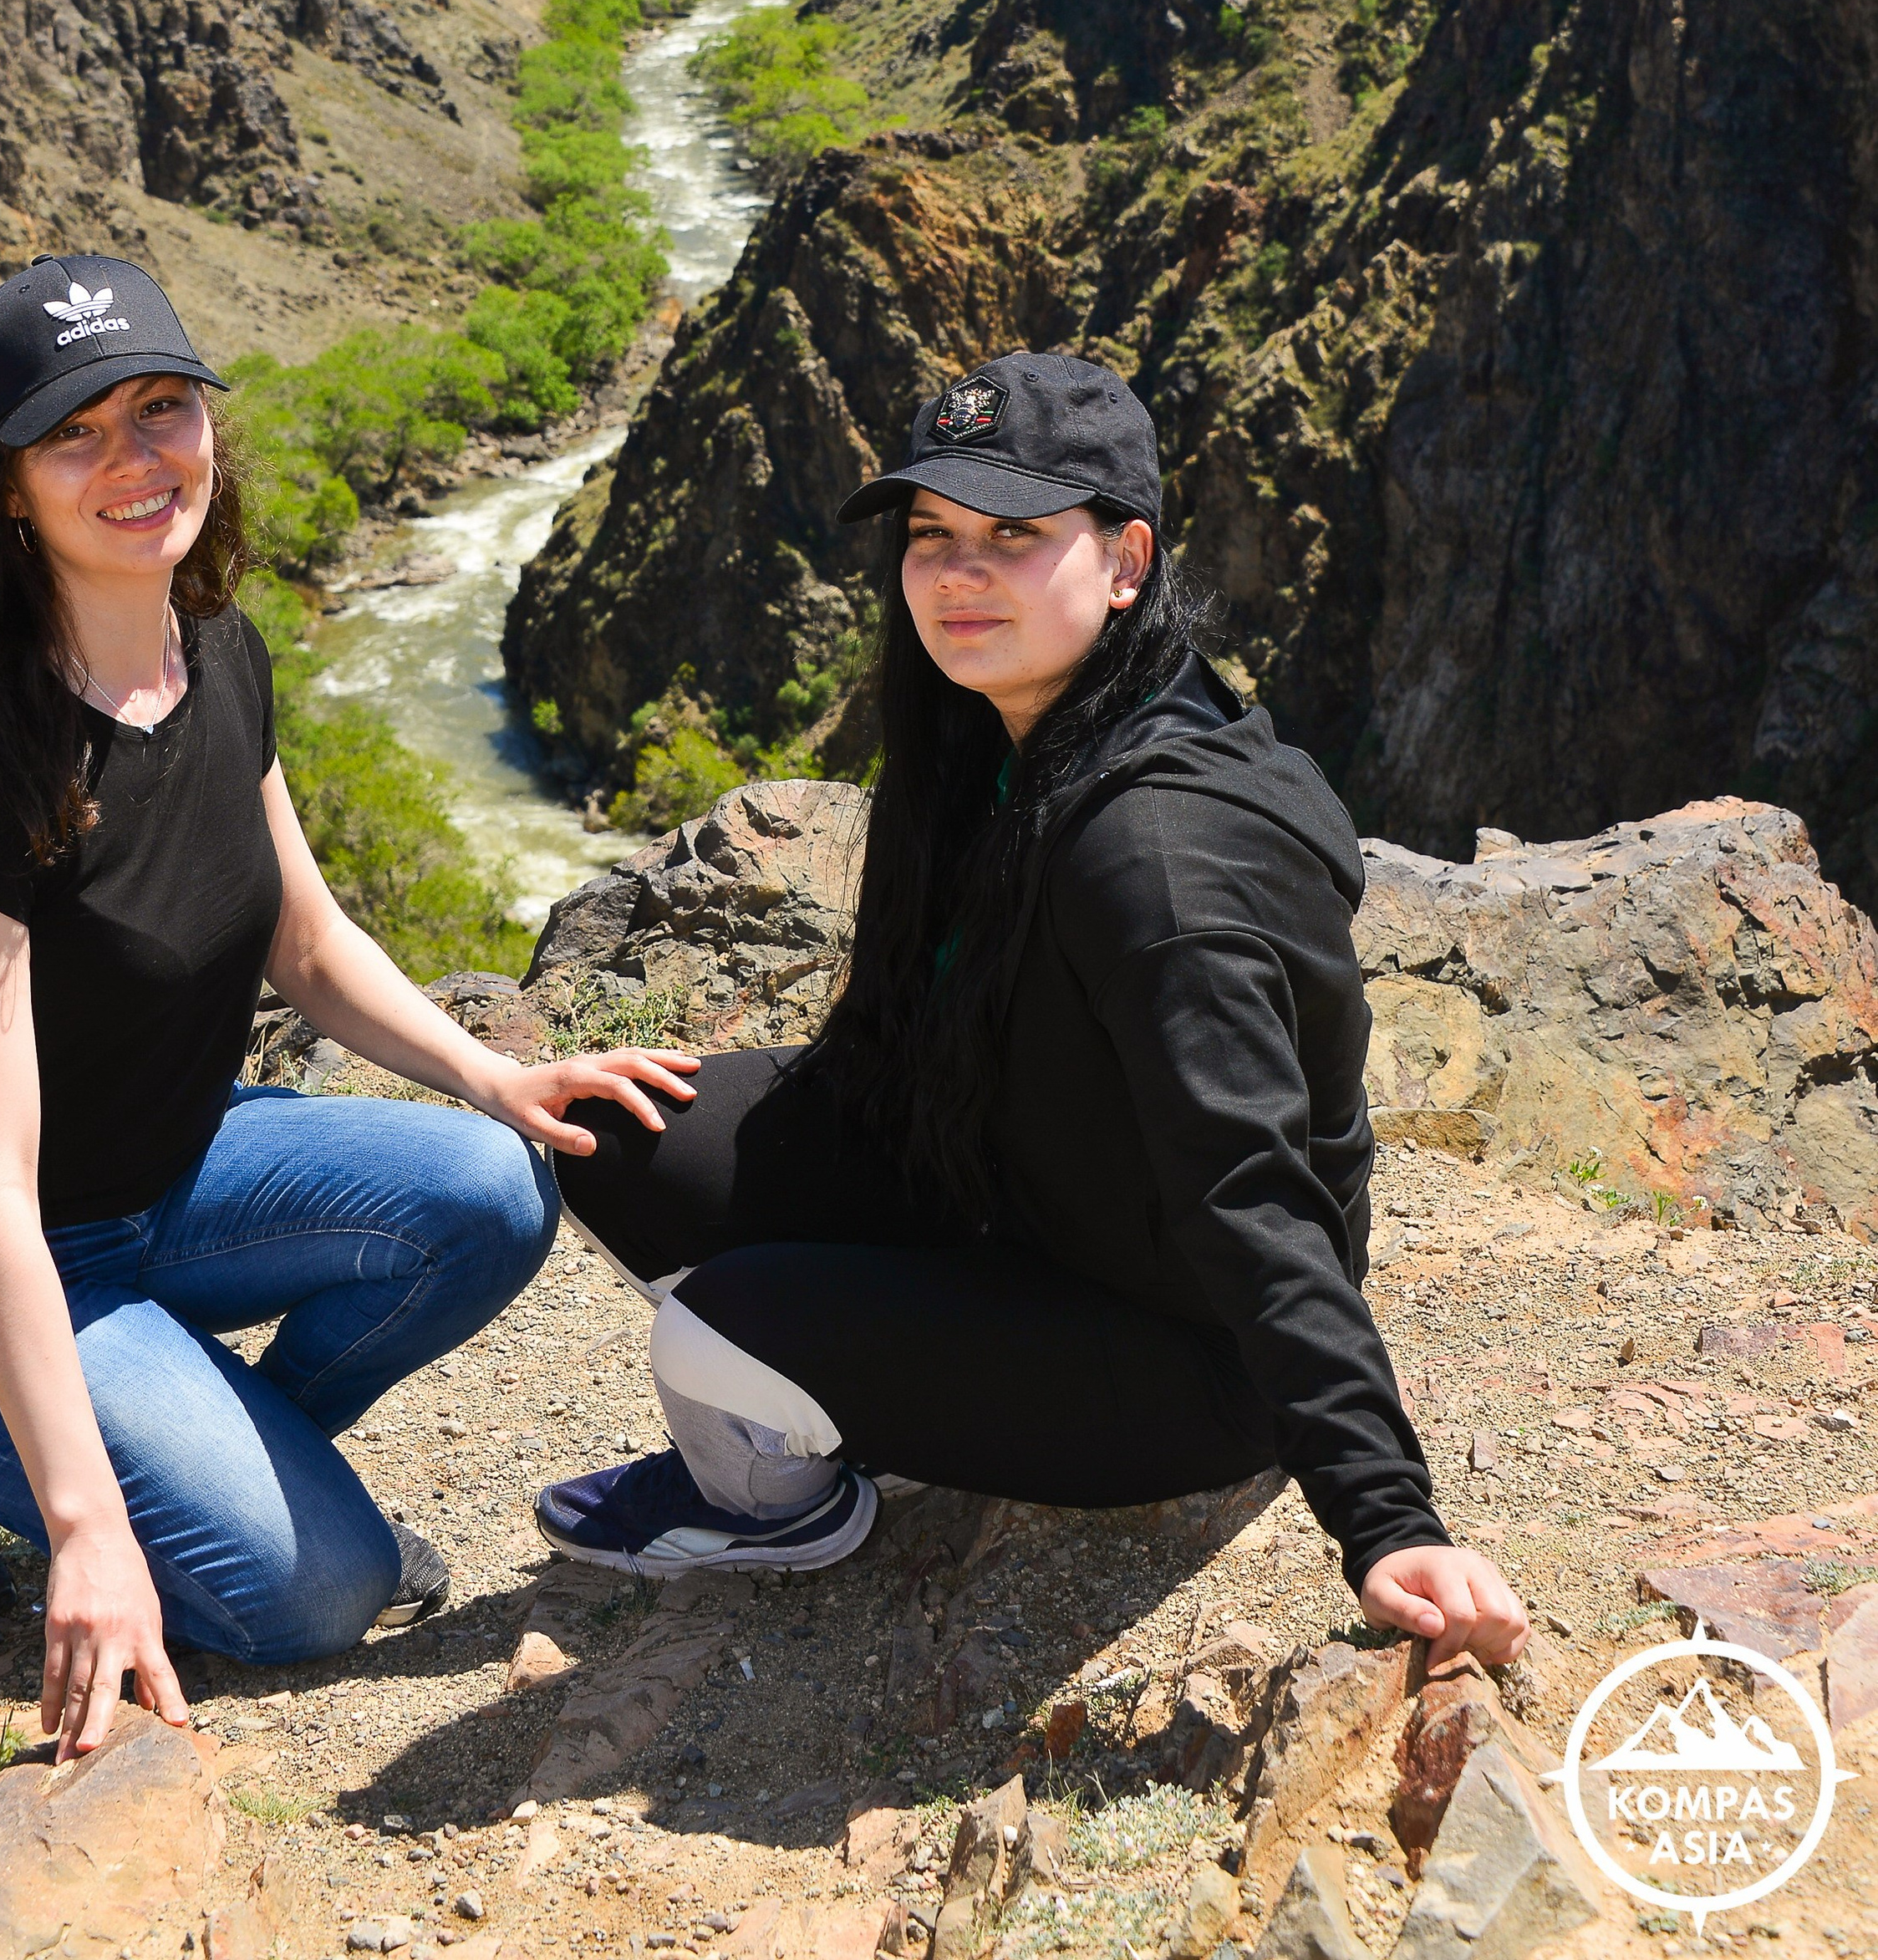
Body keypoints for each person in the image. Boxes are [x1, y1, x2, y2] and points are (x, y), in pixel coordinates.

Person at [0, 255, 695, 1760]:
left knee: (495, 1190)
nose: (133, 460)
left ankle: (218, 1459)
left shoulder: (212, 644)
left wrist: (497, 1078)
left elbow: (302, 937)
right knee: (318, 1597)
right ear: (8, 489)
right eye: (74, 434)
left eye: (160, 409)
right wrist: (88, 1528)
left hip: (165, 1181)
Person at [537, 350, 1527, 1670]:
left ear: (1125, 562)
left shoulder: (1154, 860)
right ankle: (880, 1387)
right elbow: (909, 1040)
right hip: (1019, 1192)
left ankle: (776, 1505)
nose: (956, 575)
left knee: (719, 1324)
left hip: (1184, 1349)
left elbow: (1251, 1191)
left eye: (1013, 536)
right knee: (613, 1128)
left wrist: (1386, 1516)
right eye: (933, 534)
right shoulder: (994, 741)